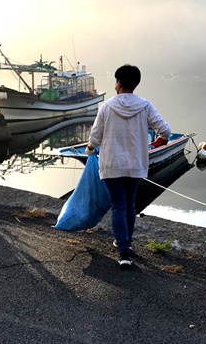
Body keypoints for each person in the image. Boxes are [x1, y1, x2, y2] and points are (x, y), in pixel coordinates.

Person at [85, 64, 170, 269]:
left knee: (118, 206)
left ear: (119, 82)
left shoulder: (107, 107)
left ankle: (123, 249)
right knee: (130, 204)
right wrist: (160, 140)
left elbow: (95, 137)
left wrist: (89, 149)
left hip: (112, 164)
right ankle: (126, 245)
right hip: (135, 165)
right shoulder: (145, 106)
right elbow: (165, 130)